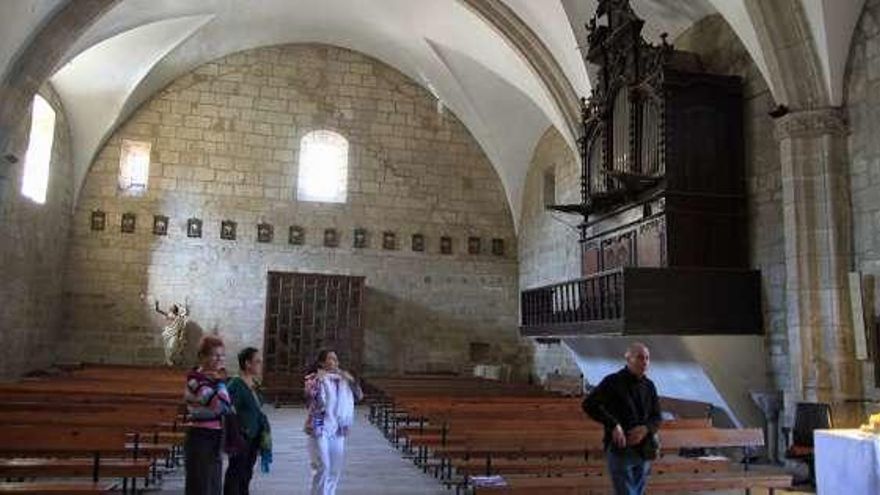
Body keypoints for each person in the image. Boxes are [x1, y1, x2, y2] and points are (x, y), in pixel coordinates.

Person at [582, 342, 661, 495]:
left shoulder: (649, 385)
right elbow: (589, 404)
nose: (644, 362)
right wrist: (614, 425)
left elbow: (656, 417)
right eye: (639, 357)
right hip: (620, 448)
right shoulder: (612, 381)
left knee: (637, 492)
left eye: (647, 358)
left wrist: (645, 429)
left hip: (644, 449)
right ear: (628, 359)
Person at [303, 350, 363, 495]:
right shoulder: (314, 378)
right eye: (331, 359)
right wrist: (319, 380)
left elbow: (359, 396)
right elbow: (309, 400)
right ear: (322, 363)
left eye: (336, 359)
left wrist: (352, 381)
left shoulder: (343, 380)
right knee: (323, 466)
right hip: (319, 426)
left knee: (334, 469)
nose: (335, 362)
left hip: (338, 428)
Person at [184, 335, 232, 495]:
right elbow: (221, 406)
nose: (220, 359)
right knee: (200, 485)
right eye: (215, 355)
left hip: (216, 434)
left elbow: (224, 405)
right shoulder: (196, 380)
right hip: (200, 436)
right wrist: (220, 383)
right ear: (203, 357)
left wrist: (219, 386)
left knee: (214, 484)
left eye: (222, 355)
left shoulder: (212, 379)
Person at [224, 347, 273, 495]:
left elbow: (257, 406)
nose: (260, 365)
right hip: (241, 435)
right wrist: (238, 430)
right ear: (247, 364)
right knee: (236, 472)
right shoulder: (236, 384)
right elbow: (228, 409)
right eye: (257, 361)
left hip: (254, 435)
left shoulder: (254, 383)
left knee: (246, 473)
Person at [156, 300, 188, 366]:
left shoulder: (179, 316)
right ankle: (168, 362)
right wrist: (157, 305)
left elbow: (185, 314)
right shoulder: (169, 314)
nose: (171, 308)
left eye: (172, 307)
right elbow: (158, 310)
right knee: (167, 348)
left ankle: (170, 360)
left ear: (175, 309)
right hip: (167, 333)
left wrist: (185, 304)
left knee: (171, 347)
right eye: (171, 307)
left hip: (174, 334)